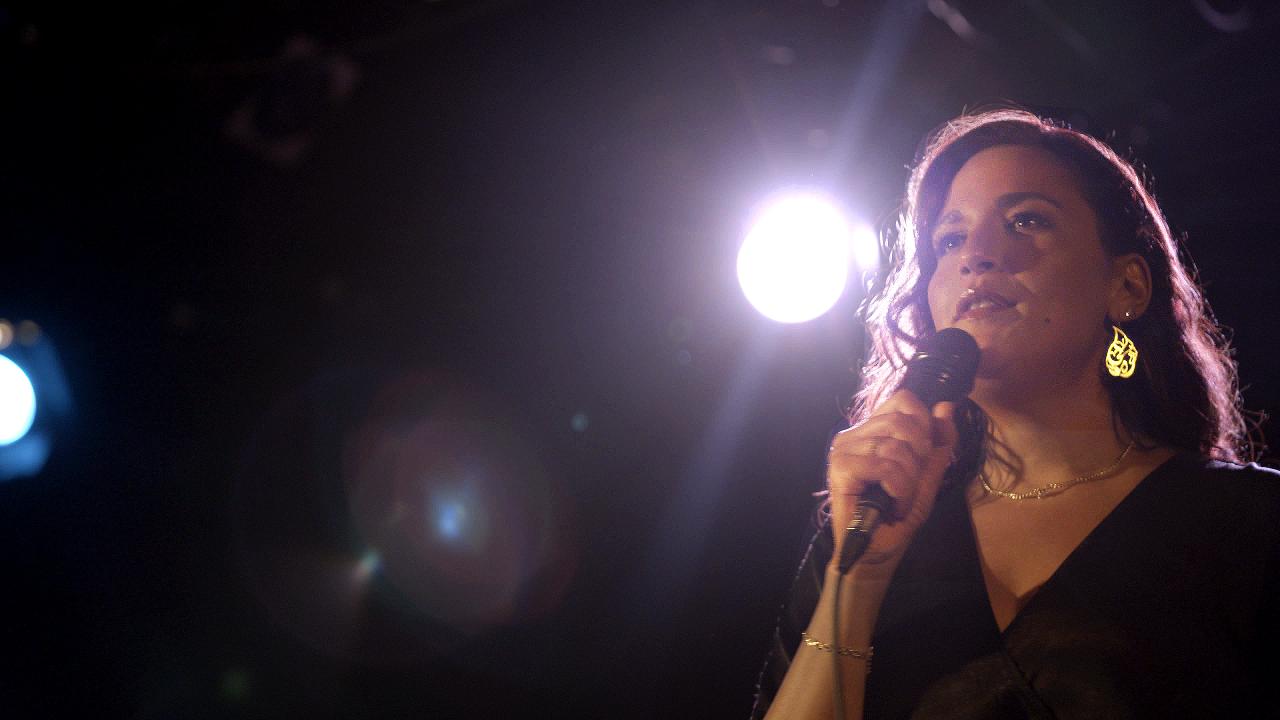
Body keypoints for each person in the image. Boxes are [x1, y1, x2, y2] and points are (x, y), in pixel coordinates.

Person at [751, 108, 1280, 719]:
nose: (975, 255)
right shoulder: (867, 532)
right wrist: (862, 580)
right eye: (949, 239)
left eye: (1026, 220)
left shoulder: (1248, 523)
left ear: (1127, 288)